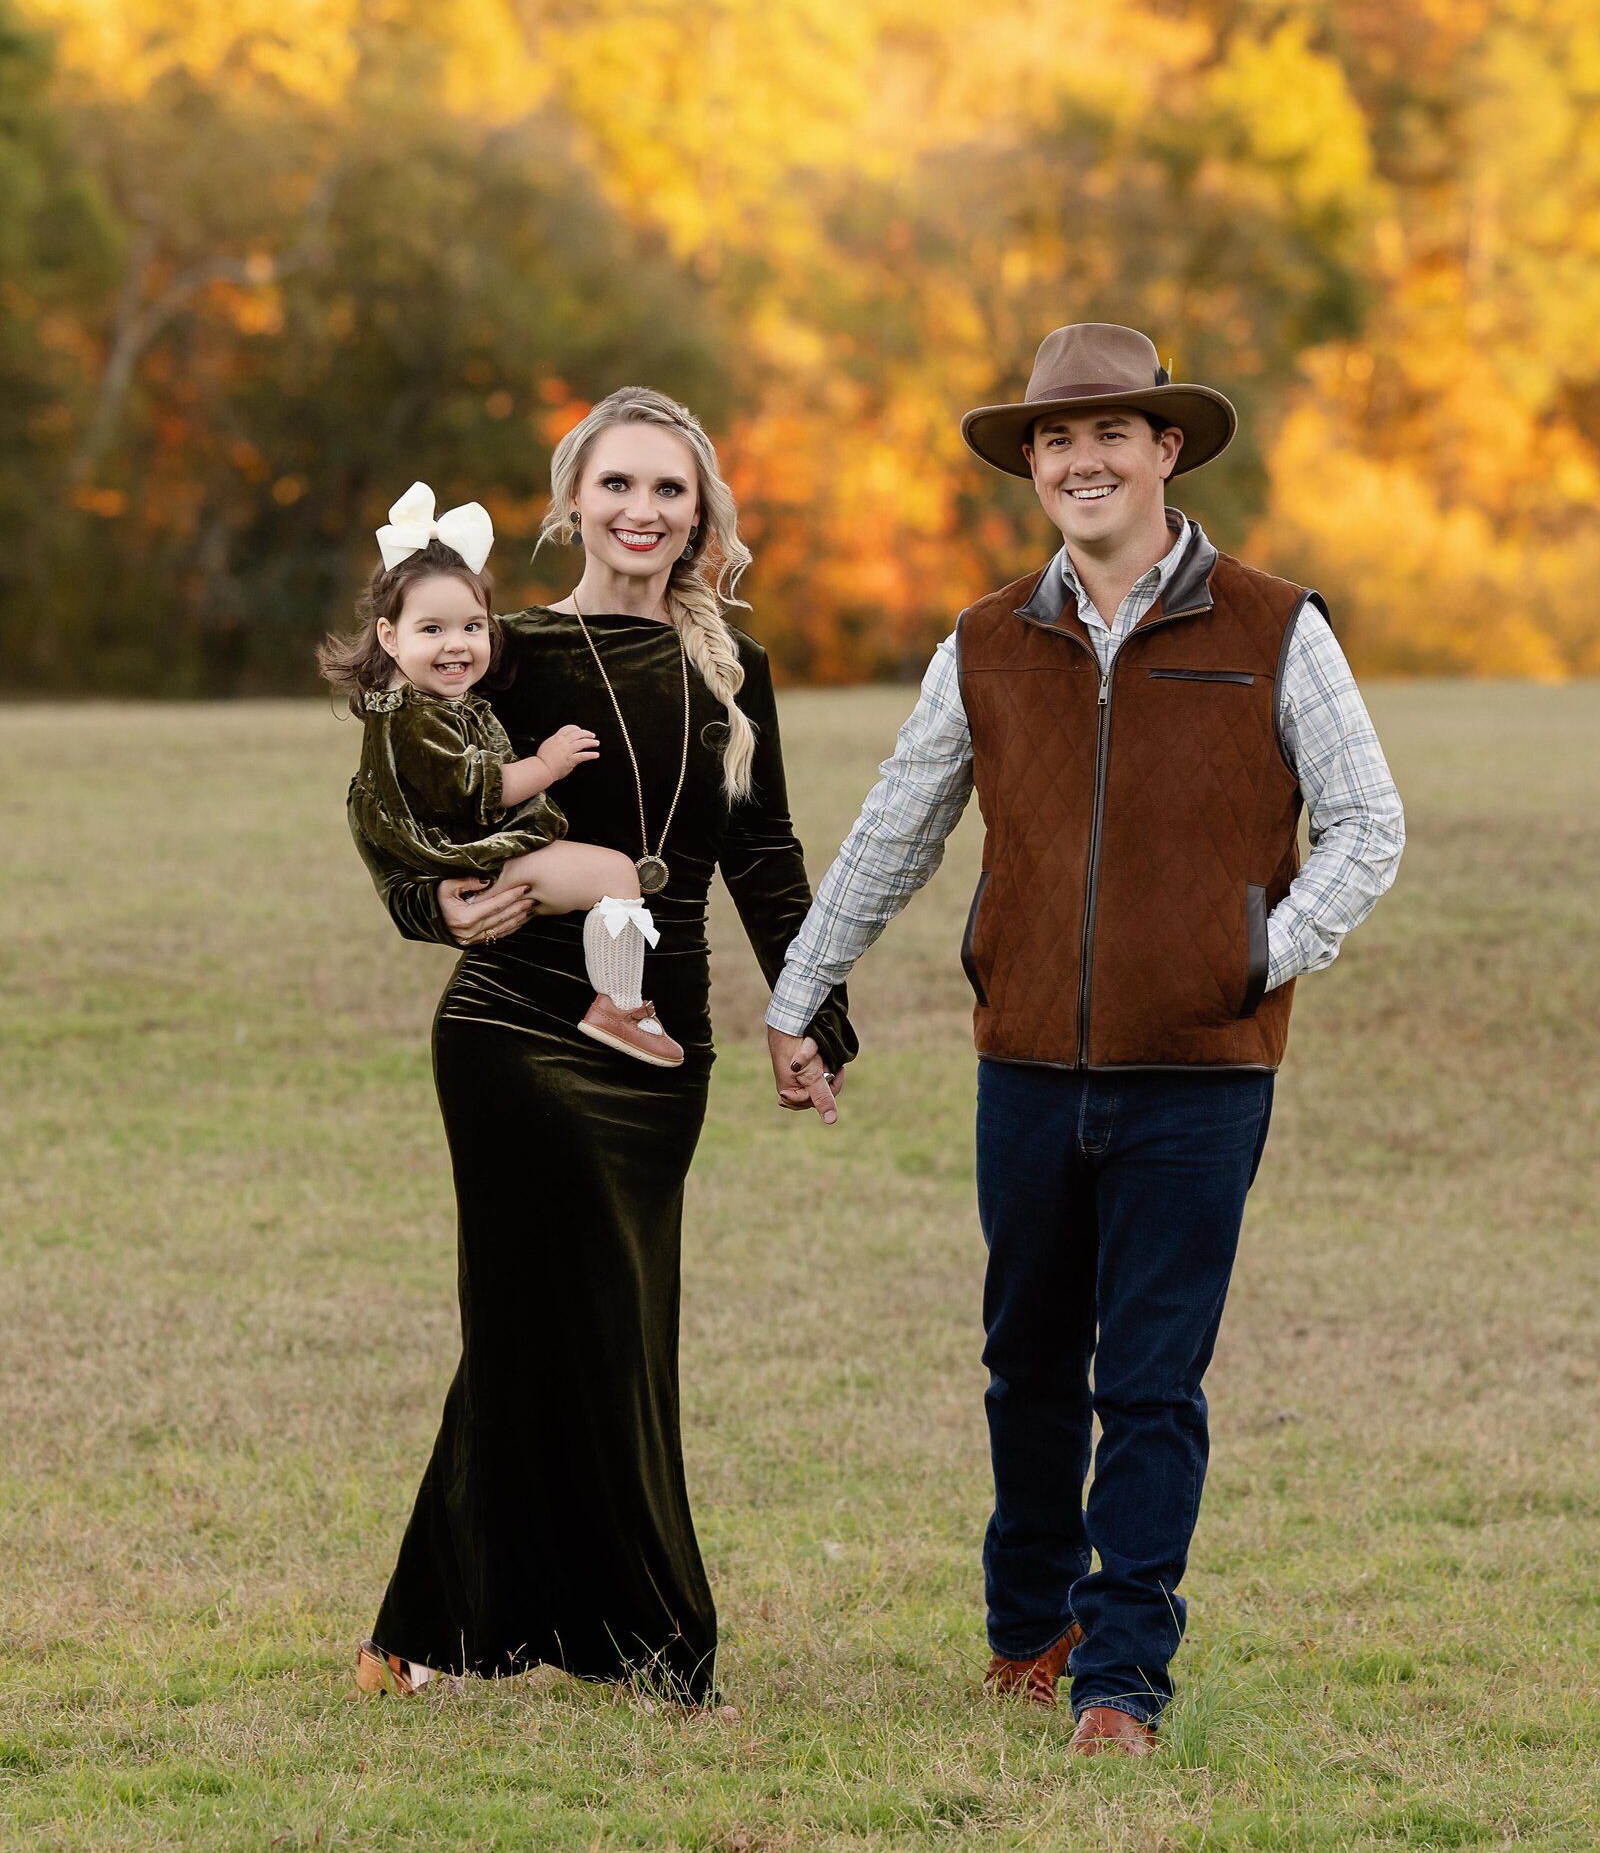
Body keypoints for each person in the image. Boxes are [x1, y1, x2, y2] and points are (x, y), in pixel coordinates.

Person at [764, 322, 1404, 1753]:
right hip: (1029, 1067)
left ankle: (1122, 1679)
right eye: (1057, 439)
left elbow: (1371, 825)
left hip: (1202, 1076)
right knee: (1029, 1367)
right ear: (1033, 465)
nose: (1083, 459)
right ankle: (1026, 1629)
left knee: (1152, 1383)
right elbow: (896, 824)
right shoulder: (988, 639)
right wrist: (801, 989)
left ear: (1167, 447)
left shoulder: (1275, 623)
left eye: (1112, 432)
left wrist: (1255, 952)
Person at [346, 388, 854, 1704]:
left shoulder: (731, 665)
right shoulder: (500, 644)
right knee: (569, 1313)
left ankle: (428, 1627)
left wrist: (812, 1012)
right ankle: (654, 1639)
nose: (642, 511)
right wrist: (428, 903)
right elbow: (396, 786)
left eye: (670, 489)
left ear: (703, 513)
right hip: (515, 1017)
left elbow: (767, 854)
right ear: (571, 497)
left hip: (657, 1030)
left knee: (582, 1313)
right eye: (617, 485)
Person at [320, 482, 685, 1067]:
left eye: (472, 627)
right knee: (617, 875)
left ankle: (617, 998)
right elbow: (480, 791)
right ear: (389, 636)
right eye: (431, 629)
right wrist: (548, 764)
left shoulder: (410, 704)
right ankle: (620, 1003)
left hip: (466, 859)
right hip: (471, 855)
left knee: (606, 875)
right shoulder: (415, 720)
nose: (457, 646)